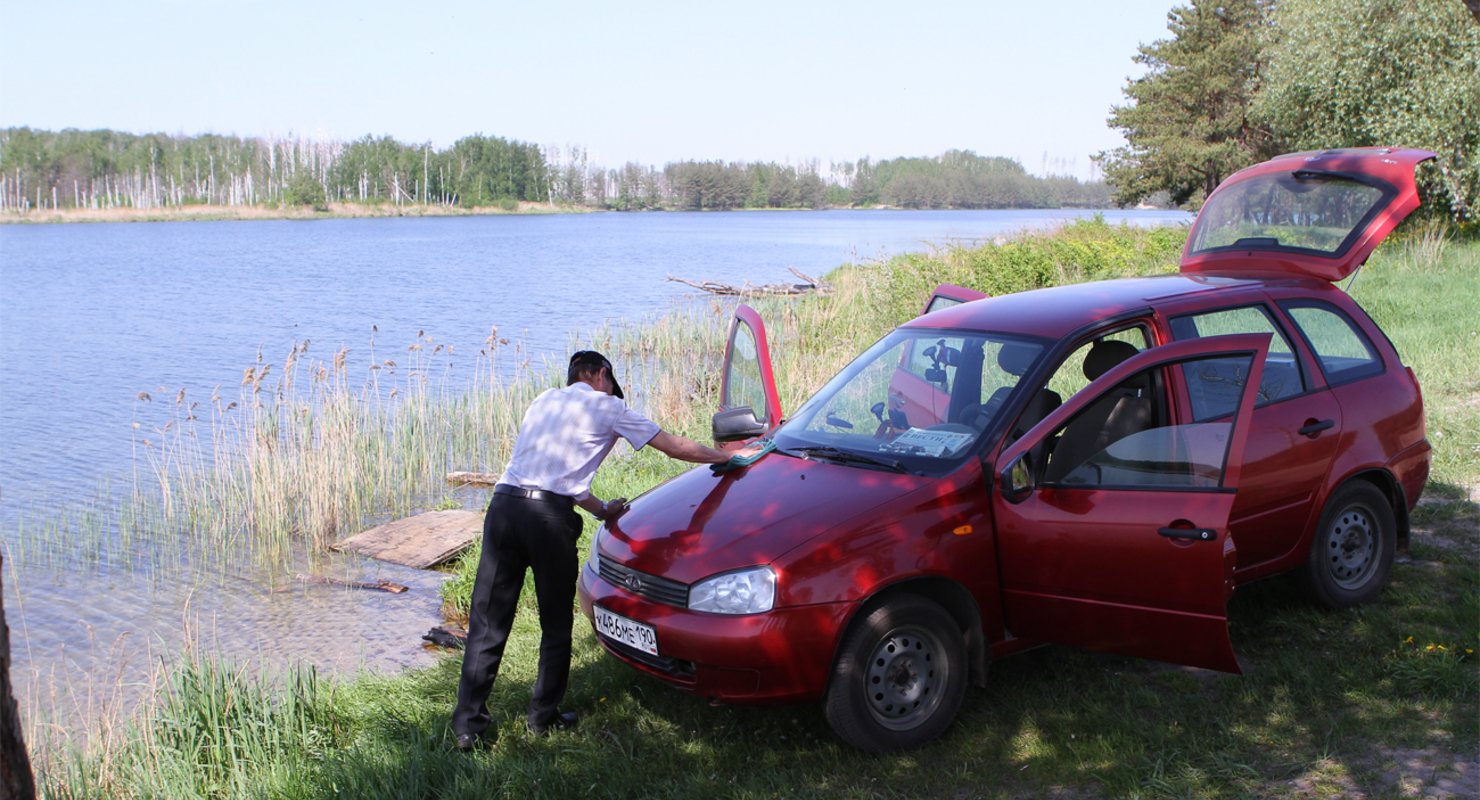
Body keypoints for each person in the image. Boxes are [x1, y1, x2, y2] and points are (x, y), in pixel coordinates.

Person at [451, 350, 733, 750]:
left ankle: (467, 727)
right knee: (554, 623)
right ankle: (543, 717)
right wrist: (724, 457)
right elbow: (674, 446)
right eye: (609, 382)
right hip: (547, 520)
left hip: (504, 508)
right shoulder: (609, 406)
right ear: (601, 375)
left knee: (487, 621)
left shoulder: (544, 400)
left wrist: (602, 510)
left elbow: (558, 474)